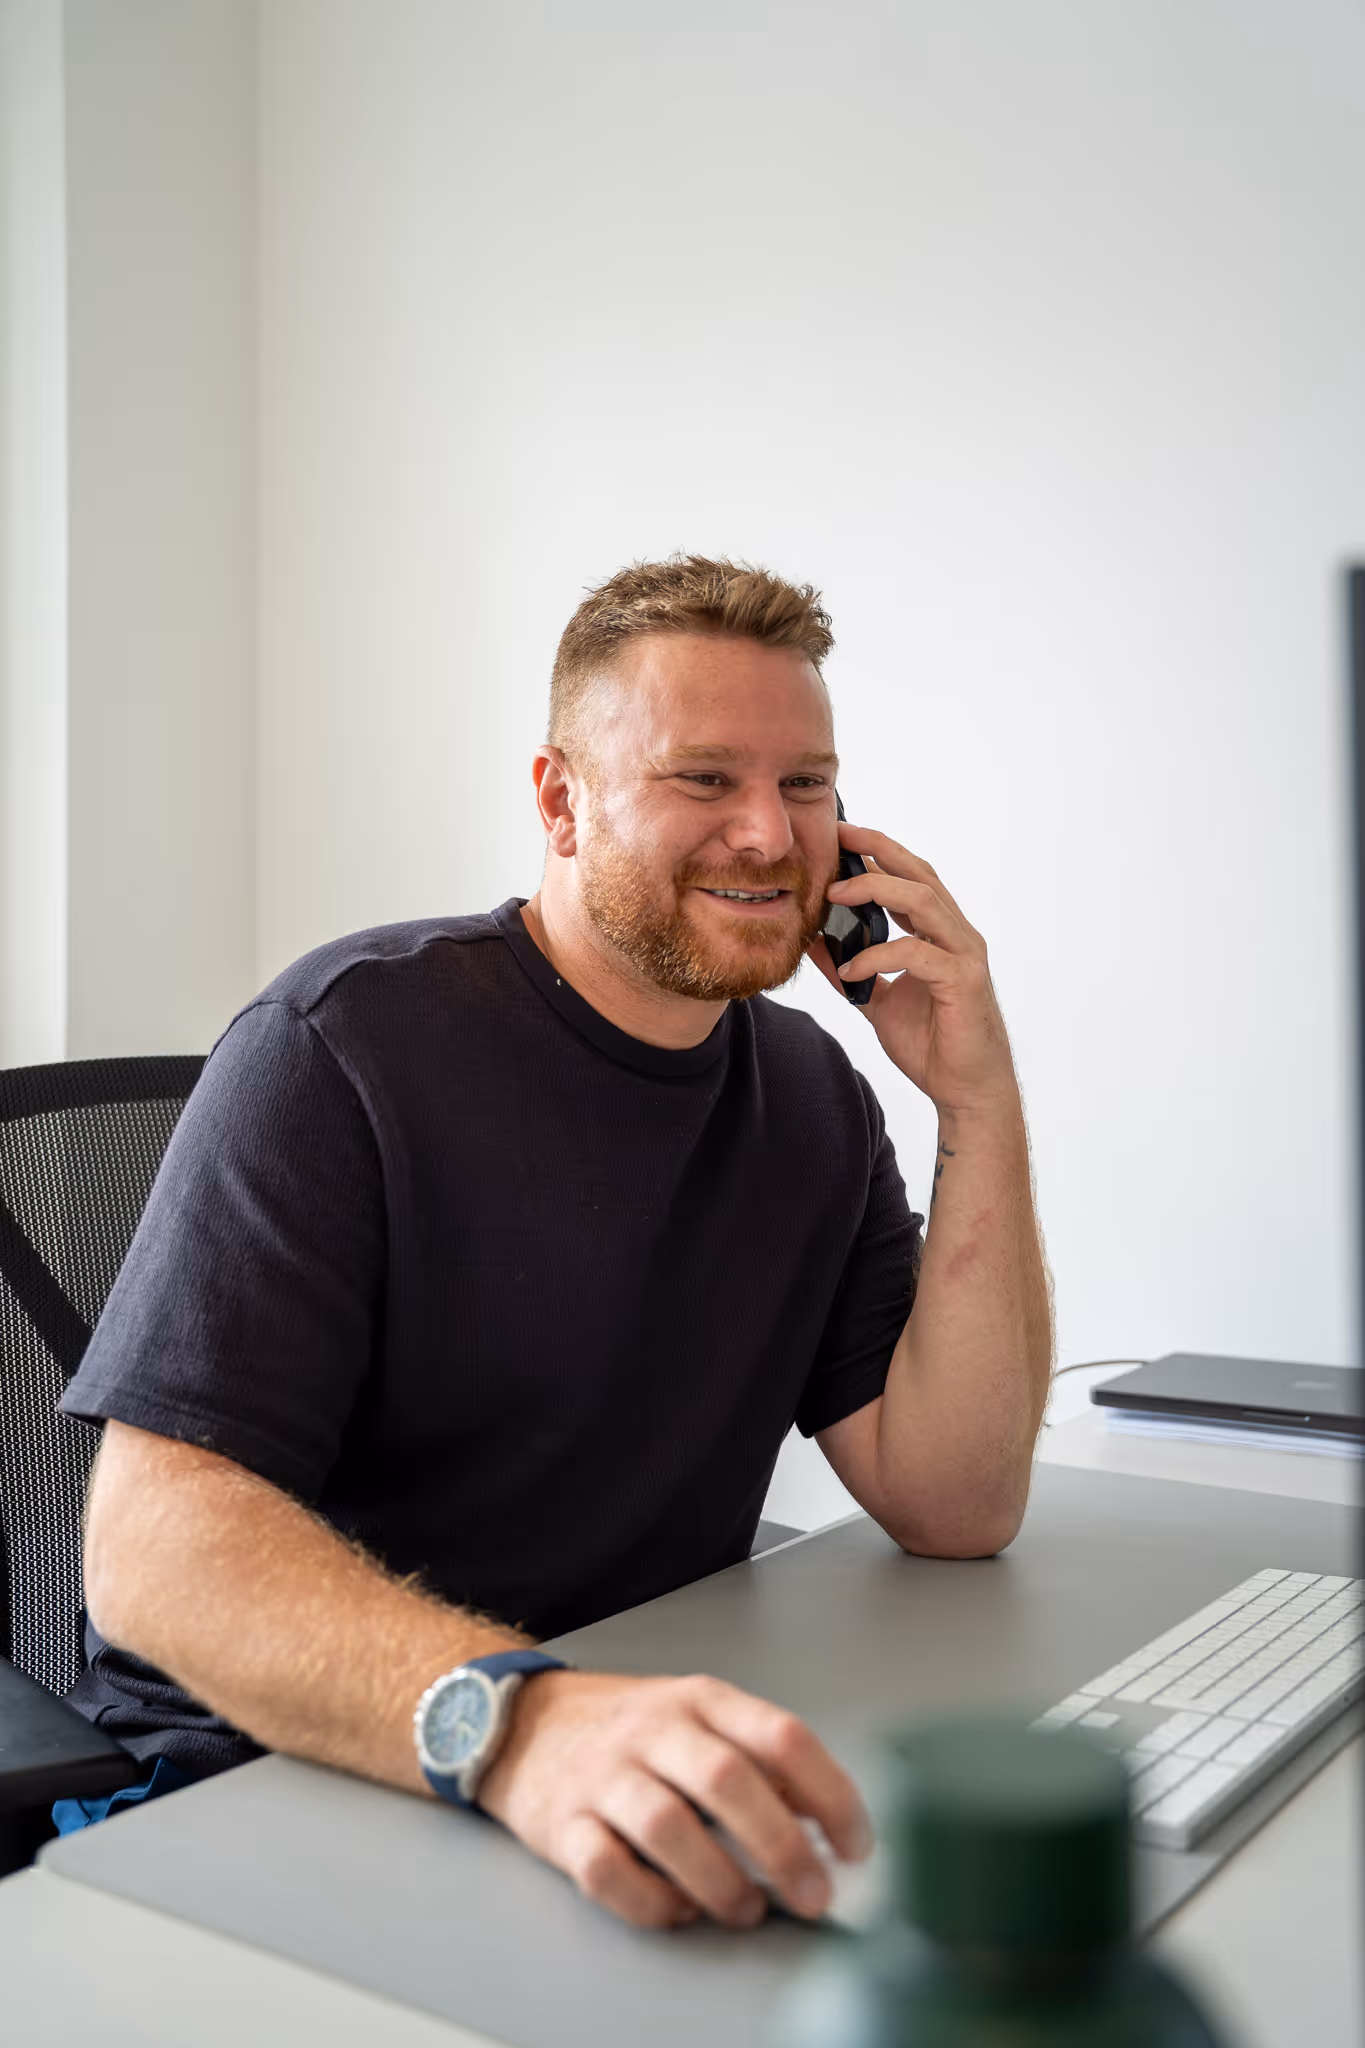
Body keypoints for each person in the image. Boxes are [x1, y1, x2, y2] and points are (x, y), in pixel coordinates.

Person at [61, 556, 1053, 1931]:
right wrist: (526, 1729)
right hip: (275, 1782)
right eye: (704, 780)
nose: (770, 837)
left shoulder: (812, 1103)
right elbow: (150, 1551)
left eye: (807, 784)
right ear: (559, 799)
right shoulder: (342, 1049)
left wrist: (979, 1102)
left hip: (611, 1769)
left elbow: (958, 1503)